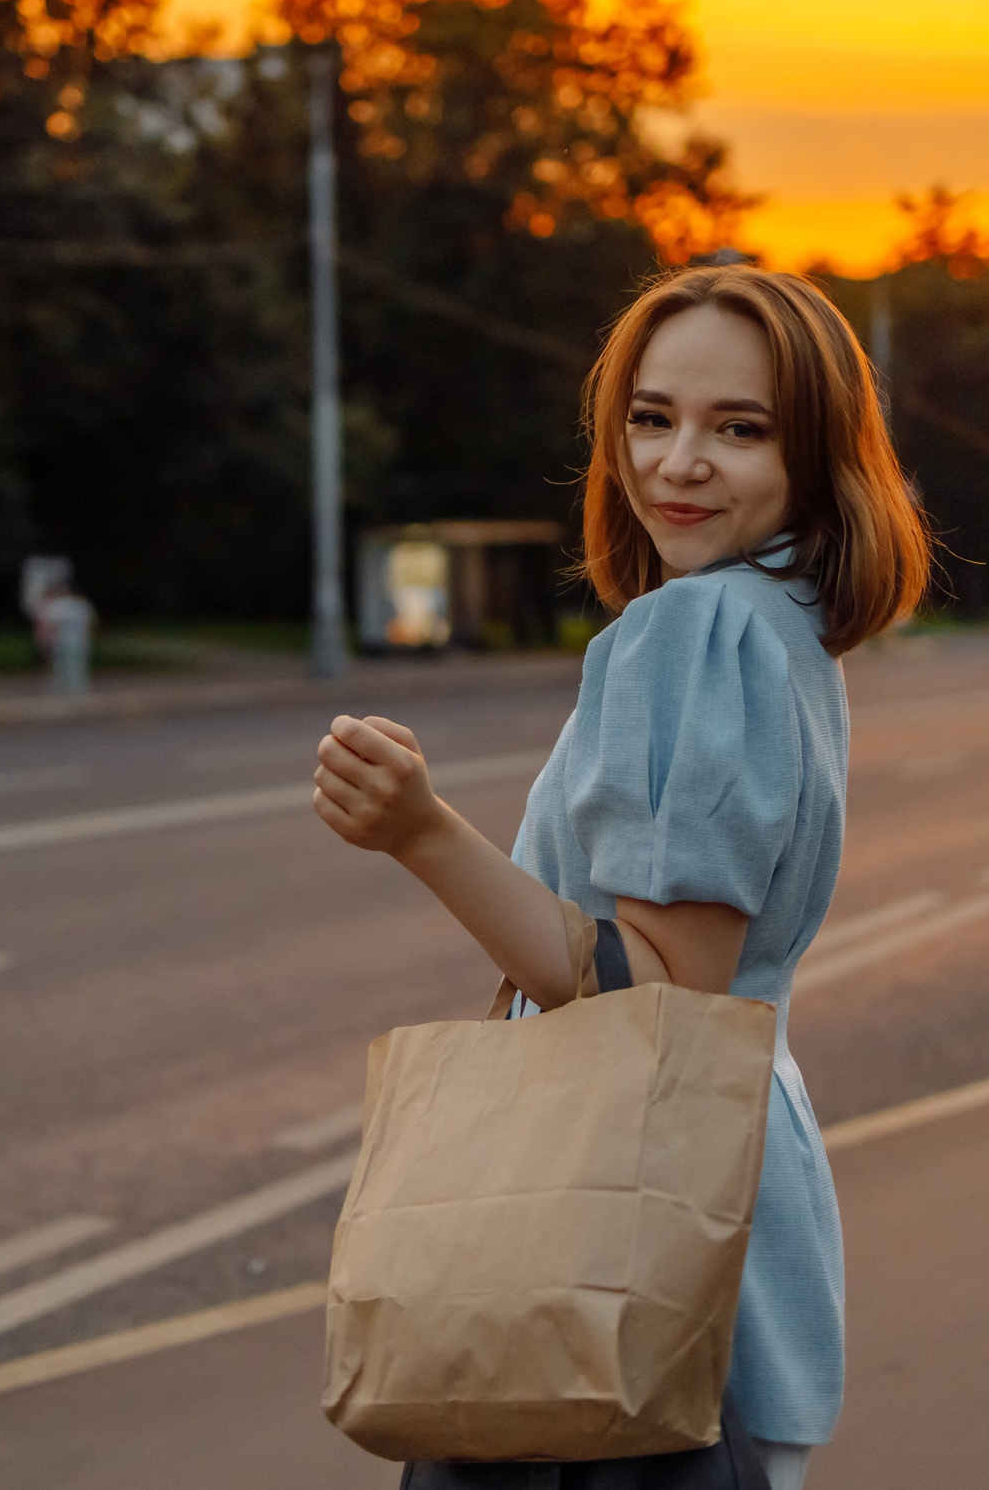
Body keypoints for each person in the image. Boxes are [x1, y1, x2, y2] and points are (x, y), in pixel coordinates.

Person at [311, 263, 929, 1487]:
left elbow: (655, 995)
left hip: (618, 1252)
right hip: (725, 1216)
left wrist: (420, 830)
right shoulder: (784, 627)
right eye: (652, 418)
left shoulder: (697, 633)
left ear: (814, 458)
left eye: (737, 429)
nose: (677, 463)